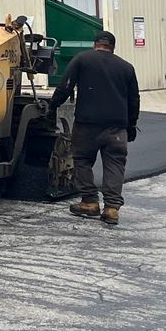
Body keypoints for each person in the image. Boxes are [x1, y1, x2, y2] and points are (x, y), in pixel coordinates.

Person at [49, 30, 140, 227]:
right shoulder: (126, 67)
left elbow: (65, 85)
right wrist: (131, 125)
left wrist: (53, 105)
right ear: (113, 47)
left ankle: (89, 202)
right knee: (115, 164)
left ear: (95, 44)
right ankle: (112, 208)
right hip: (116, 128)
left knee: (82, 160)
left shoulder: (82, 59)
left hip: (87, 125)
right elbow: (134, 99)